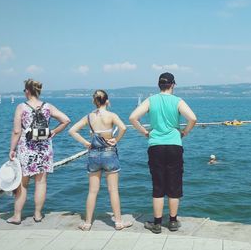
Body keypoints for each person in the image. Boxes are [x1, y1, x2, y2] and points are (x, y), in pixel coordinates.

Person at [129, 72, 197, 234]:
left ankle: (157, 223)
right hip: (174, 145)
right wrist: (184, 133)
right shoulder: (177, 101)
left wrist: (145, 133)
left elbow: (133, 118)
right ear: (173, 85)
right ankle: (173, 222)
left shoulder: (151, 100)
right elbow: (193, 118)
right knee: (174, 183)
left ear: (159, 85)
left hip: (156, 146)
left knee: (158, 184)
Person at [7, 79, 70, 225]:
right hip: (44, 149)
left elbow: (17, 131)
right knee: (41, 182)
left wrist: (11, 149)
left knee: (22, 183)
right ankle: (38, 214)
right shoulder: (47, 106)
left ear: (27, 91)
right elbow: (66, 120)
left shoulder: (21, 107)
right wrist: (54, 131)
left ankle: (17, 216)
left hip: (26, 149)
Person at [68, 90, 132, 231]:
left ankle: (87, 223)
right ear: (107, 101)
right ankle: (118, 222)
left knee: (92, 191)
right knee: (113, 190)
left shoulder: (89, 117)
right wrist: (116, 140)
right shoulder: (111, 115)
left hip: (94, 155)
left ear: (94, 101)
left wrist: (86, 143)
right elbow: (122, 128)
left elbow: (72, 130)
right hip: (109, 153)